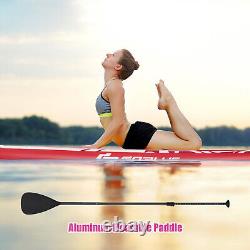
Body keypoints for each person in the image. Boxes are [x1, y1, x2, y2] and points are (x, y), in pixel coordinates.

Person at [86, 49, 202, 150]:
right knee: (191, 143)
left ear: (118, 66)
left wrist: (96, 145)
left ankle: (169, 102)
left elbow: (118, 121)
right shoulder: (111, 85)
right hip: (133, 139)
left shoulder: (115, 86)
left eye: (113, 55)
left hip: (136, 137)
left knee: (194, 143)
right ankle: (167, 102)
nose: (108, 54)